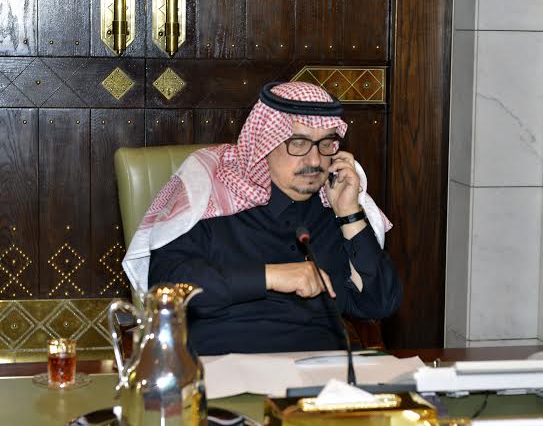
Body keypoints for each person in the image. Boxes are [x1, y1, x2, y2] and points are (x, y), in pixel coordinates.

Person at [124, 81, 402, 355]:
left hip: (320, 371)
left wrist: (349, 214)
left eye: (326, 143)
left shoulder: (333, 209)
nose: (315, 160)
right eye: (299, 143)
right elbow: (166, 285)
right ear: (264, 143)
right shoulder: (213, 197)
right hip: (225, 365)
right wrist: (270, 276)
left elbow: (380, 303)